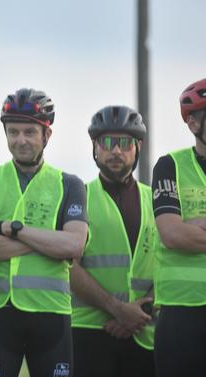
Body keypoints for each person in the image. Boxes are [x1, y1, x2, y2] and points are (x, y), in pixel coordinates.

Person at [0, 88, 88, 377]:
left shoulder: (69, 184)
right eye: (13, 132)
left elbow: (74, 246)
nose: (20, 140)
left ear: (46, 136)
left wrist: (13, 230)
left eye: (29, 132)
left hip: (51, 314)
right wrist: (50, 239)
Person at [70, 105, 156, 377]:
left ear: (138, 146)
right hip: (89, 332)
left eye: (124, 143)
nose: (116, 151)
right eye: (107, 142)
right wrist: (118, 310)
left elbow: (170, 260)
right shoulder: (78, 196)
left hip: (145, 331)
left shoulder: (155, 200)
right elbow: (67, 265)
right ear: (95, 146)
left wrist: (140, 310)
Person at [152, 78, 206, 377]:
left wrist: (196, 227)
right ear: (193, 124)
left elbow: (182, 231)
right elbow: (171, 233)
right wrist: (183, 230)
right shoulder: (169, 165)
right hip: (180, 311)